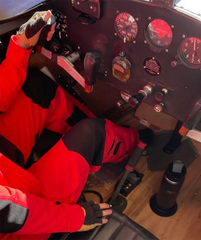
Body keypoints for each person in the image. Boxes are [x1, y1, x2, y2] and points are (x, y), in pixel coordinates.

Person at [0, 10, 139, 240]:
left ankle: (96, 146)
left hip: (6, 170)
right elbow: (10, 212)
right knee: (92, 133)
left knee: (37, 88)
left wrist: (21, 45)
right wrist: (74, 218)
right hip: (19, 226)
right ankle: (136, 143)